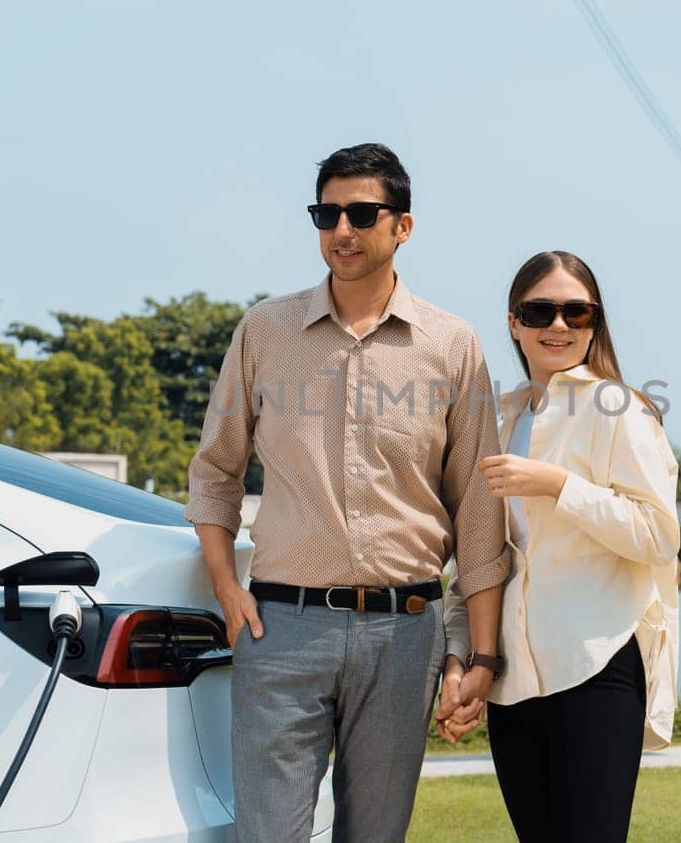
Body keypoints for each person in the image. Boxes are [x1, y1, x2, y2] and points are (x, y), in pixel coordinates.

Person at [184, 143, 509, 841]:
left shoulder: (453, 346)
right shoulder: (265, 332)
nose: (342, 230)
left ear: (403, 227)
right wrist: (225, 586)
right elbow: (215, 472)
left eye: (362, 213)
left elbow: (480, 510)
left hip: (404, 634)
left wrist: (481, 656)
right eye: (326, 213)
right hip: (281, 629)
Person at [438, 250, 681, 843]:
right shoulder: (499, 418)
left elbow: (658, 535)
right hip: (512, 684)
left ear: (595, 323)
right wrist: (461, 654)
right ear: (514, 323)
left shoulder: (619, 411)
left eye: (577, 312)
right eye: (540, 310)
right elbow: (480, 558)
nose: (559, 325)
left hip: (595, 667)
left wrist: (560, 486)